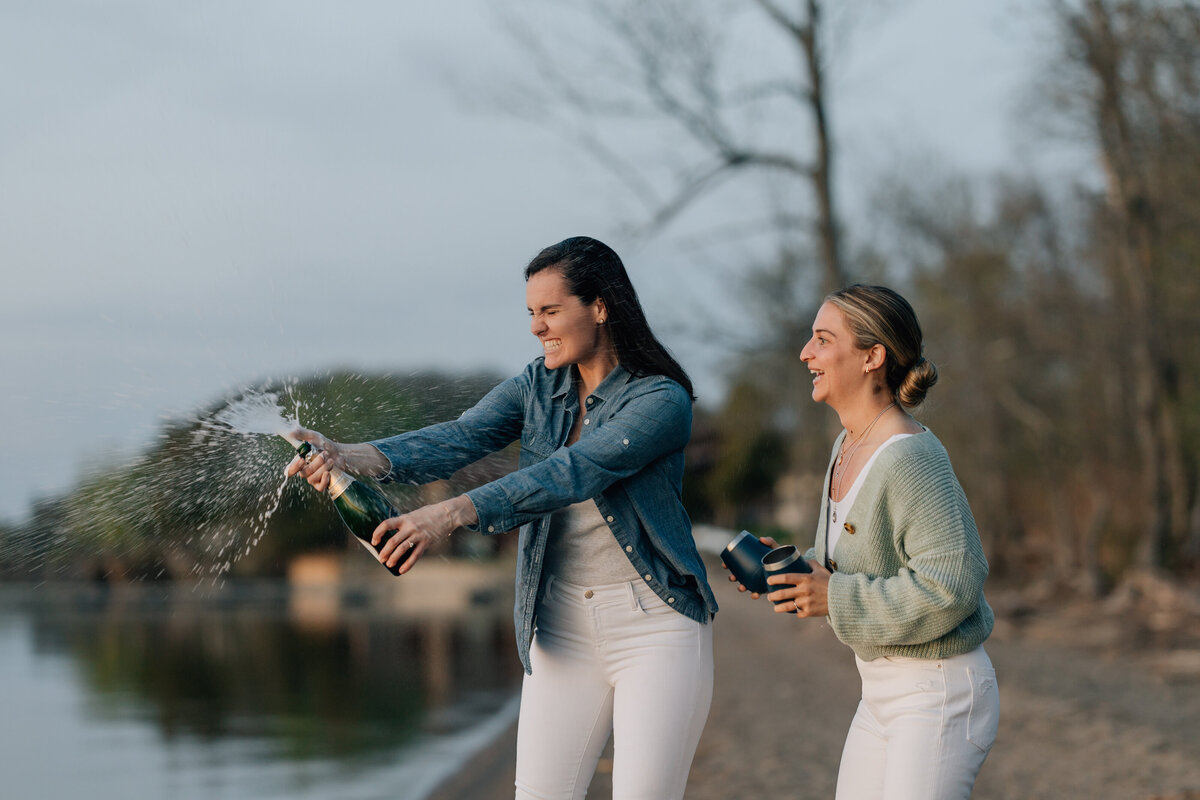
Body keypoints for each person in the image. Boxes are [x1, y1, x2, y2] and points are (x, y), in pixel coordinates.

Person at [286, 236, 717, 800]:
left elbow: (574, 471)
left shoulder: (661, 400)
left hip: (654, 627)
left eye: (551, 311)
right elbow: (459, 437)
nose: (537, 327)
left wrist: (450, 514)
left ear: (601, 306)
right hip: (558, 626)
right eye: (532, 313)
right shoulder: (538, 385)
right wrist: (346, 453)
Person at [738, 284, 999, 799]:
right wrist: (788, 573)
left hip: (938, 691)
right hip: (879, 690)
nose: (805, 353)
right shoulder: (847, 444)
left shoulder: (911, 457)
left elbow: (954, 584)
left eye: (822, 339)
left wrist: (831, 596)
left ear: (872, 356)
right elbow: (838, 563)